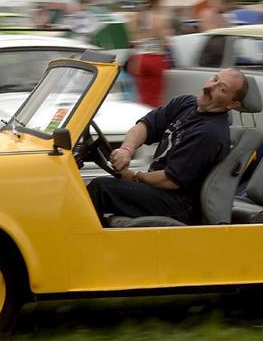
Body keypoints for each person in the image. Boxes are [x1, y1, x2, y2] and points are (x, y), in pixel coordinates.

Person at [87, 68, 249, 225]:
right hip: (158, 191)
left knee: (100, 188)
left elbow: (171, 180)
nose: (209, 87)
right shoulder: (185, 103)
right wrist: (126, 150)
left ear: (232, 104)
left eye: (222, 89)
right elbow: (145, 126)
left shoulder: (210, 133)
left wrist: (135, 176)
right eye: (214, 79)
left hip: (178, 204)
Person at [127, 0, 174, 107]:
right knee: (155, 97)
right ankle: (154, 116)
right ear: (157, 2)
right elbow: (165, 40)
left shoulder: (137, 17)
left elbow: (132, 39)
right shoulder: (160, 18)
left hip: (140, 59)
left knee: (142, 95)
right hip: (155, 57)